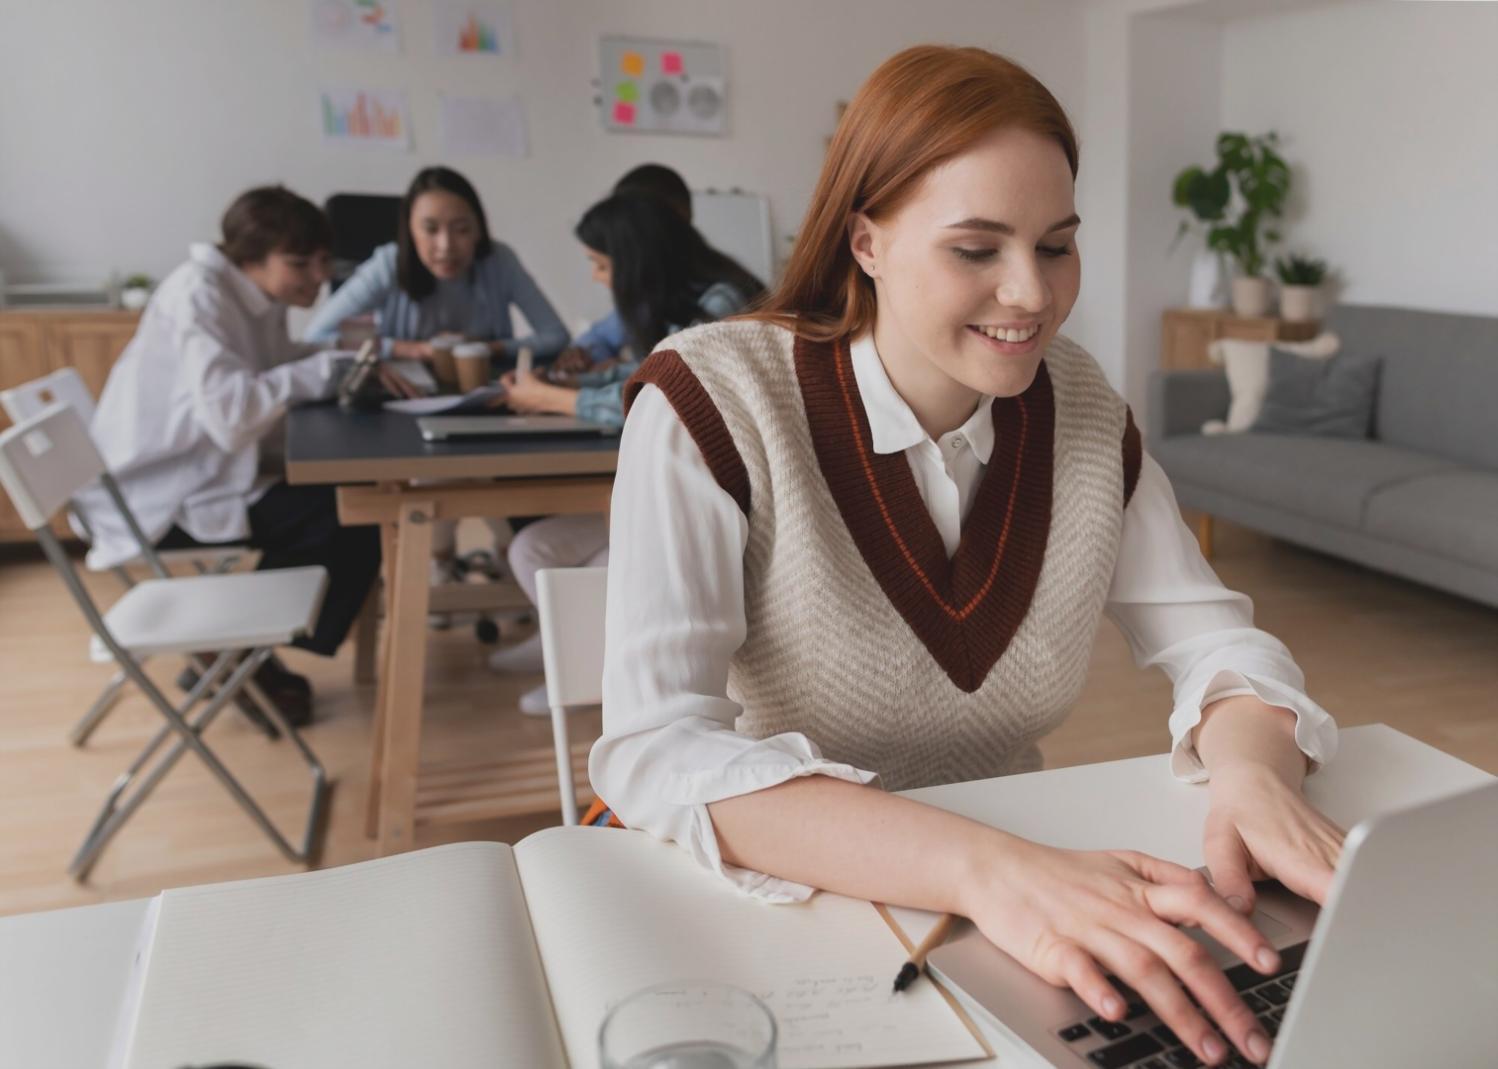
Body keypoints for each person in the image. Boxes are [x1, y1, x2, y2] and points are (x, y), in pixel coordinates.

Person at [589, 47, 1343, 1069]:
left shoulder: (1078, 410)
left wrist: (1256, 775)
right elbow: (654, 747)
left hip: (1013, 905)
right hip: (778, 902)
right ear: (866, 240)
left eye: (1056, 245)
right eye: (976, 248)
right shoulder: (712, 399)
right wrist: (986, 869)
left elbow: (1218, 644)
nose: (1030, 294)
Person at [78, 186, 384, 723]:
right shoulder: (200, 295)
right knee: (355, 513)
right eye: (299, 264)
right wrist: (323, 370)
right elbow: (232, 413)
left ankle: (238, 655)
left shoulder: (251, 293)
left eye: (321, 262)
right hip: (161, 498)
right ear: (250, 258)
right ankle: (241, 651)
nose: (317, 277)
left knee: (351, 507)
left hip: (204, 476)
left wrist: (337, 357)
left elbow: (274, 364)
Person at [488, 192, 763, 713]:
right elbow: (649, 370)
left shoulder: (720, 306)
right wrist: (576, 380)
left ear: (634, 261)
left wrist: (551, 397)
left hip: (725, 504)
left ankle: (588, 667)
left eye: (600, 264)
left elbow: (681, 395)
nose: (595, 277)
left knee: (603, 554)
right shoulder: (677, 304)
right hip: (677, 496)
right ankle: (568, 649)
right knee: (530, 548)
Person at [305, 166, 571, 580]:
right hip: (406, 412)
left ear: (479, 229)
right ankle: (461, 560)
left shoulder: (498, 261)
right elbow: (318, 334)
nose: (446, 246)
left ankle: (463, 562)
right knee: (445, 471)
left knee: (472, 469)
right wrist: (409, 348)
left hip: (489, 407)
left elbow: (555, 334)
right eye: (430, 229)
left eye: (462, 229)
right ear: (409, 229)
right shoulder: (388, 264)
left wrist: (491, 346)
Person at [550, 163, 695, 374]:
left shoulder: (706, 297)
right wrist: (584, 353)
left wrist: (616, 371)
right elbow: (601, 336)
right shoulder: (645, 290)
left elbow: (668, 379)